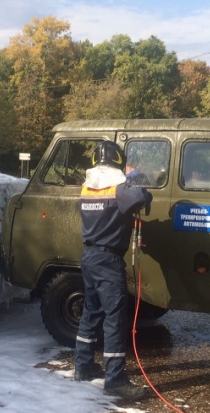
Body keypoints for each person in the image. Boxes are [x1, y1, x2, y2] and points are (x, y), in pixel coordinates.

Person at [74, 140, 152, 401]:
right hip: (108, 260)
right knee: (115, 319)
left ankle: (83, 366)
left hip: (89, 256)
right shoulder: (119, 188)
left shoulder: (87, 187)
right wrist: (134, 175)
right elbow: (140, 195)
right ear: (118, 161)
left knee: (91, 311)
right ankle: (115, 380)